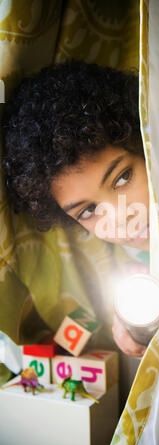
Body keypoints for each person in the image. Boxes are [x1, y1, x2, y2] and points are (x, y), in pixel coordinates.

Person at [1, 60, 150, 358]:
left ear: (147, 146)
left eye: (122, 177)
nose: (119, 218)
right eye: (87, 211)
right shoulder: (131, 263)